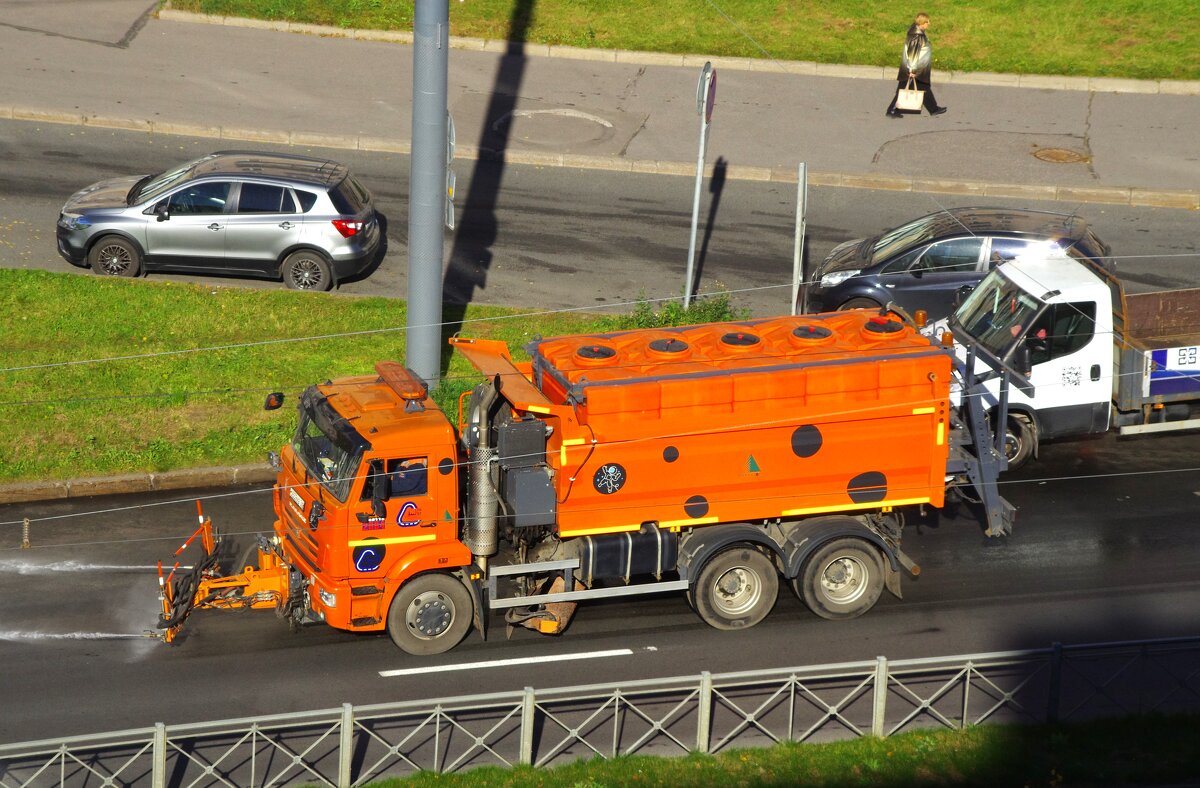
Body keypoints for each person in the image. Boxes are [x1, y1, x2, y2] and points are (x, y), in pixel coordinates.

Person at [885, 13, 947, 118]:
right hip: (915, 69)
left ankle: (933, 109)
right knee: (908, 88)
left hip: (917, 68)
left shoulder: (918, 33)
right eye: (927, 22)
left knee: (922, 87)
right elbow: (913, 54)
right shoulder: (917, 36)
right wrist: (912, 70)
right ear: (922, 23)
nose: (929, 23)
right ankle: (892, 110)